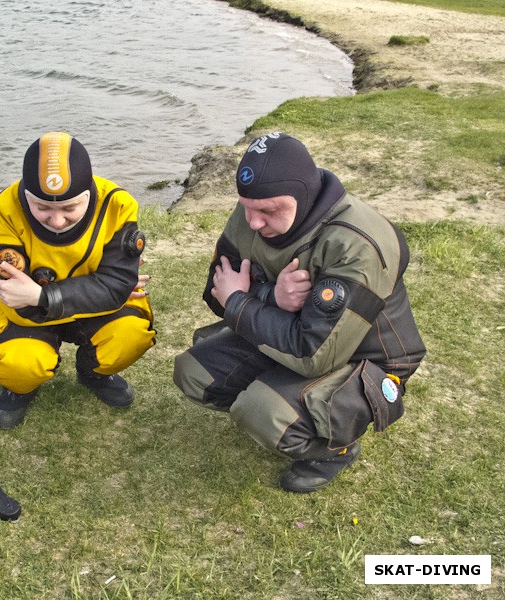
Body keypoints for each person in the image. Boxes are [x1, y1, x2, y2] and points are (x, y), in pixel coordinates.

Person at [173, 132, 426, 493]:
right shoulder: (256, 205)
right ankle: (284, 399)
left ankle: (335, 447)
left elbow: (313, 355)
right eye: (246, 207)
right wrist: (271, 296)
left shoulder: (356, 244)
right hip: (292, 330)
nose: (253, 223)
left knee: (263, 411)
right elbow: (216, 290)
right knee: (193, 372)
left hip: (363, 359)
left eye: (268, 212)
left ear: (303, 197)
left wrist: (243, 301)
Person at [0, 131, 155, 429]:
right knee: (20, 364)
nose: (57, 221)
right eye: (42, 207)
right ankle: (22, 386)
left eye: (70, 208)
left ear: (89, 194)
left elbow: (117, 288)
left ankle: (92, 370)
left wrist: (42, 296)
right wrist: (102, 287)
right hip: (29, 318)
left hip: (43, 301)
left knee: (132, 334)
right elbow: (19, 307)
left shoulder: (118, 205)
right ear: (25, 195)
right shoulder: (3, 212)